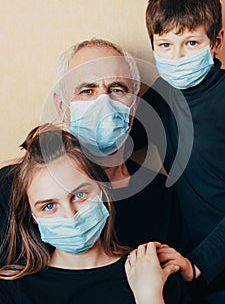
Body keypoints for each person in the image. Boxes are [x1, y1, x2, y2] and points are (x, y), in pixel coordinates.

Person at [0, 39, 188, 264]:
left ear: (135, 106)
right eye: (87, 90)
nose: (103, 103)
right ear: (62, 107)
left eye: (117, 89)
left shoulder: (160, 194)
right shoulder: (11, 187)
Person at [0, 124, 191, 303]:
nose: (70, 215)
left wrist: (150, 297)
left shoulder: (153, 273)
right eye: (49, 206)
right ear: (33, 215)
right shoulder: (13, 291)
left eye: (79, 195)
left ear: (103, 191)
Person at [131, 0, 225, 303]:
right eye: (165, 45)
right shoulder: (160, 97)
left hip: (213, 264)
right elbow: (115, 146)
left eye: (190, 43)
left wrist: (200, 263)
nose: (176, 57)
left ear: (216, 41)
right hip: (187, 273)